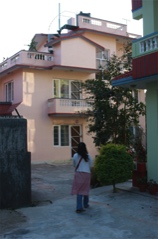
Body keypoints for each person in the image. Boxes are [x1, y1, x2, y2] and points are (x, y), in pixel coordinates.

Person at [71, 142, 93, 213]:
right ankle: (86, 204)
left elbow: (74, 164)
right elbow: (91, 165)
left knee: (79, 190)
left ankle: (79, 207)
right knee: (86, 189)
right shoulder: (88, 156)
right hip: (86, 174)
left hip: (78, 174)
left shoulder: (75, 156)